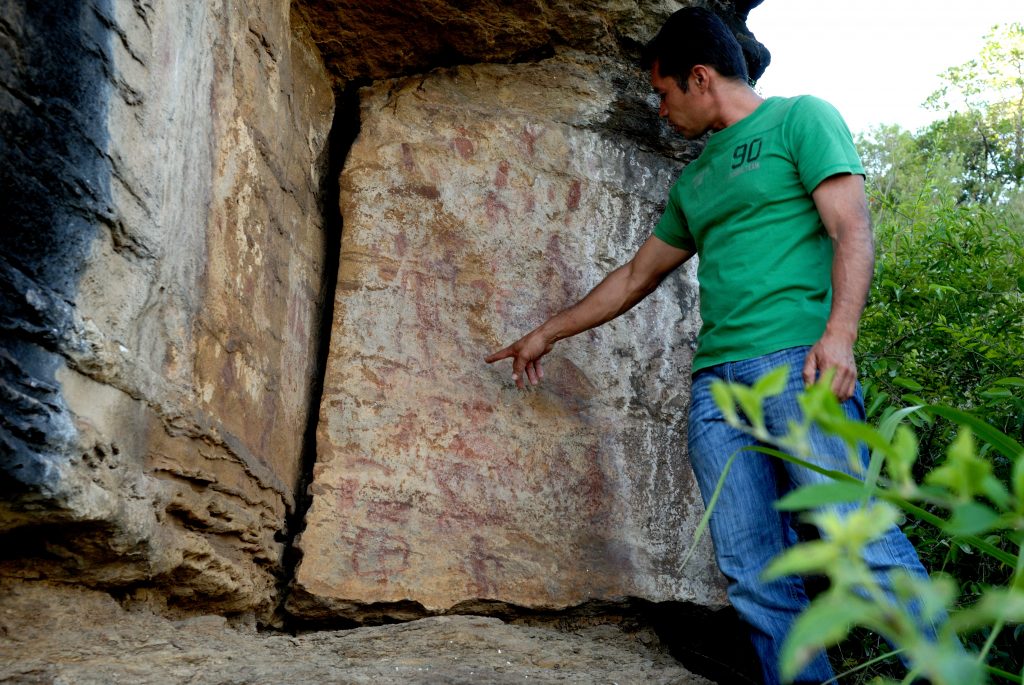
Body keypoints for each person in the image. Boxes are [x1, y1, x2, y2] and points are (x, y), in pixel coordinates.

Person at [485, 7, 934, 685]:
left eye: (664, 94)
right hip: (717, 395)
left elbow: (852, 228)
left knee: (858, 542)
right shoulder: (695, 181)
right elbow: (638, 274)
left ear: (699, 77)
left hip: (801, 369)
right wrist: (548, 331)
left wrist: (840, 335)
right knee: (755, 578)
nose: (661, 111)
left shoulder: (800, 119)